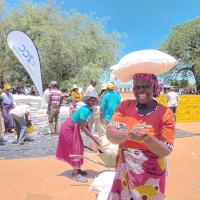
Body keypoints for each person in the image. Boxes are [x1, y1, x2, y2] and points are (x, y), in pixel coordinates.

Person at [106, 73, 175, 199]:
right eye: (136, 87)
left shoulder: (165, 113)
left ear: (154, 88)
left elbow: (166, 149)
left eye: (145, 86)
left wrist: (147, 138)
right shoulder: (124, 107)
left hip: (152, 173)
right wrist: (127, 134)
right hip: (125, 170)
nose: (140, 90)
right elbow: (110, 134)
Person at [56, 91, 100, 183]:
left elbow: (85, 125)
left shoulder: (89, 110)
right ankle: (76, 174)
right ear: (88, 101)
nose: (93, 101)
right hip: (68, 129)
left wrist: (92, 135)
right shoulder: (85, 110)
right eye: (91, 100)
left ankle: (77, 169)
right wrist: (94, 138)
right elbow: (83, 128)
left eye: (94, 100)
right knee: (75, 149)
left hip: (73, 128)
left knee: (79, 148)